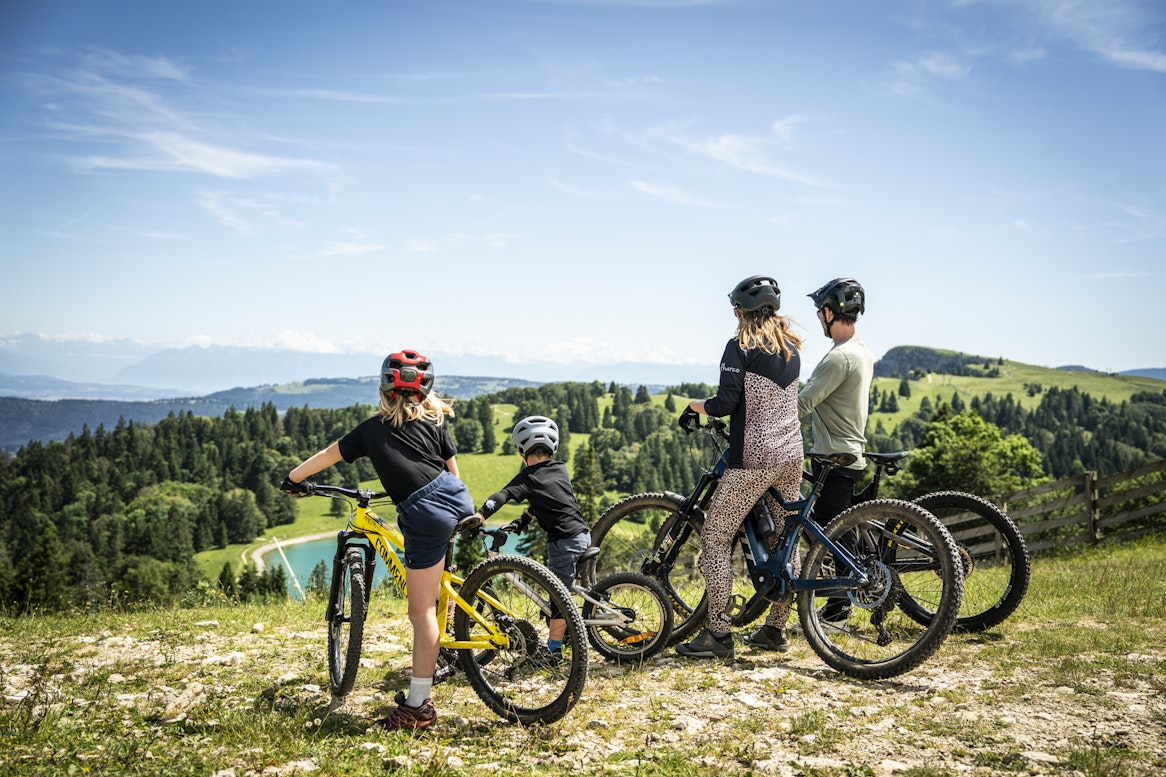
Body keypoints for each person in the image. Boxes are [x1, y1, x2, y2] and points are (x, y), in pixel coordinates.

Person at [279, 349, 473, 732]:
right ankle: (450, 610)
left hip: (423, 509)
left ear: (384, 391)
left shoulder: (370, 429)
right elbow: (453, 468)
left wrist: (294, 479)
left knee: (420, 614)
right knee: (435, 585)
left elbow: (327, 456)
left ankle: (419, 706)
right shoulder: (435, 421)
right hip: (456, 495)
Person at [675, 275, 804, 660]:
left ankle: (718, 634)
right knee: (785, 538)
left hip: (754, 456)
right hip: (791, 454)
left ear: (740, 312)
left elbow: (725, 403)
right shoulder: (792, 349)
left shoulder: (739, 346)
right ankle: (775, 630)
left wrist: (694, 406)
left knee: (715, 537)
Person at [468, 415, 591, 662]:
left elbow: (501, 496)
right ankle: (568, 633)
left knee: (558, 598)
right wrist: (523, 520)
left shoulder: (528, 477)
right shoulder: (560, 468)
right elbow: (548, 499)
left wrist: (480, 516)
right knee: (566, 589)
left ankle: (554, 651)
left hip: (564, 542)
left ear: (521, 450)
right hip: (582, 535)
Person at [798, 277, 874, 627]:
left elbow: (804, 404)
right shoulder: (860, 350)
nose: (818, 317)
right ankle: (837, 603)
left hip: (835, 456)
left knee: (831, 535)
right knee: (837, 529)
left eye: (819, 311)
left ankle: (837, 612)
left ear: (829, 312)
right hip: (848, 453)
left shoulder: (839, 358)